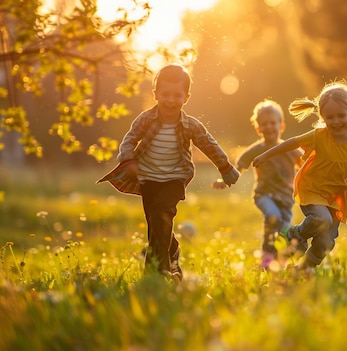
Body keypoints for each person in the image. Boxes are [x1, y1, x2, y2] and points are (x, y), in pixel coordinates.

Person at [98, 64, 240, 282]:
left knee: (161, 215)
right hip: (147, 179)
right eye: (165, 94)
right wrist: (127, 159)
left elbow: (208, 144)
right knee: (155, 224)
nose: (171, 100)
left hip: (175, 179)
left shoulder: (190, 125)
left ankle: (158, 270)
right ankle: (172, 252)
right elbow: (130, 139)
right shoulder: (145, 119)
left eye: (177, 95)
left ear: (186, 97)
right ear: (156, 94)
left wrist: (226, 168)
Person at [252, 81, 347, 271]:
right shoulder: (319, 136)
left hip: (336, 195)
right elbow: (291, 143)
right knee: (322, 220)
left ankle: (303, 269)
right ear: (322, 117)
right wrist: (265, 155)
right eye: (329, 117)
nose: (336, 121)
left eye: (341, 116)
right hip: (312, 189)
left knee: (326, 240)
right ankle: (293, 234)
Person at [212, 99, 303, 269]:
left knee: (284, 232)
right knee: (272, 217)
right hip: (264, 195)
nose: (268, 127)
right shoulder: (257, 149)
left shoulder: (289, 148)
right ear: (258, 128)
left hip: (286, 199)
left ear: (281, 126)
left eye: (272, 123)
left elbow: (305, 165)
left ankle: (278, 262)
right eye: (264, 124)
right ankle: (266, 258)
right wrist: (224, 181)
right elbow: (239, 166)